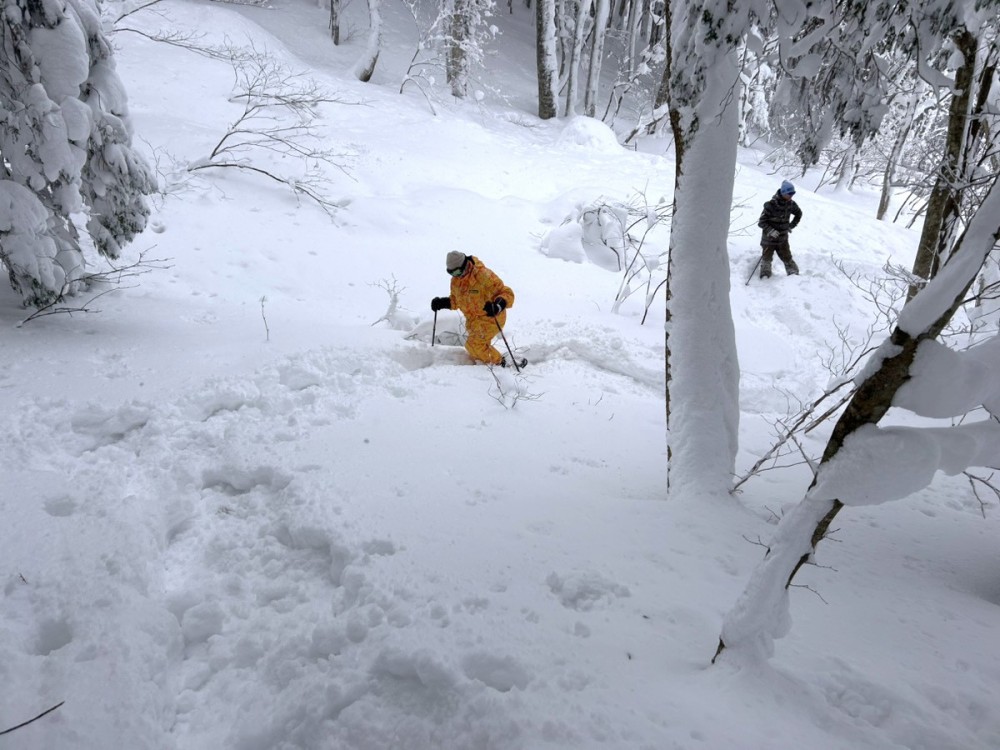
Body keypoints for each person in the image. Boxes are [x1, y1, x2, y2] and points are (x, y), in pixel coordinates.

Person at [430, 251, 524, 367]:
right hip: (474, 321)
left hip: (492, 317)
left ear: (465, 264)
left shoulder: (483, 276)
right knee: (477, 346)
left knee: (474, 345)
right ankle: (494, 359)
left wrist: (497, 305)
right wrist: (442, 303)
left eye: (458, 271)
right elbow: (457, 301)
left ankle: (501, 363)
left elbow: (506, 293)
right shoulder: (455, 281)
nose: (456, 275)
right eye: (451, 273)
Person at [757, 180, 802, 278]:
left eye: (793, 193)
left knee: (787, 257)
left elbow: (799, 213)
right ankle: (765, 275)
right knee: (766, 258)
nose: (791, 196)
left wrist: (791, 225)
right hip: (769, 239)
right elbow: (761, 222)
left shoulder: (791, 204)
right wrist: (771, 231)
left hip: (783, 239)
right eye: (790, 193)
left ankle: (794, 276)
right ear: (783, 192)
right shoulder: (771, 205)